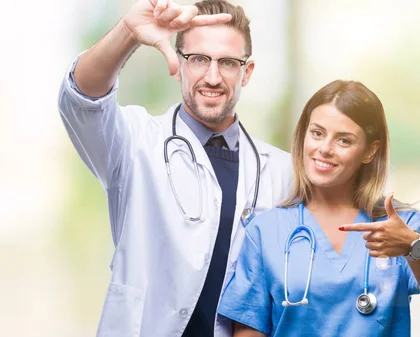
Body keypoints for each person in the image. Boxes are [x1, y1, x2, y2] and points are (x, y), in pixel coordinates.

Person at [57, 0, 293, 336]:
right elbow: (82, 98)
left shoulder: (281, 171)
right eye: (198, 59)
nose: (212, 77)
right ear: (180, 64)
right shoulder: (136, 142)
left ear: (247, 72)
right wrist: (127, 32)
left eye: (227, 62)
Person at [217, 80, 420, 337]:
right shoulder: (266, 231)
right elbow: (249, 329)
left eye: (344, 140)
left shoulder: (402, 226)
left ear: (369, 152)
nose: (325, 149)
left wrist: (413, 247)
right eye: (317, 133)